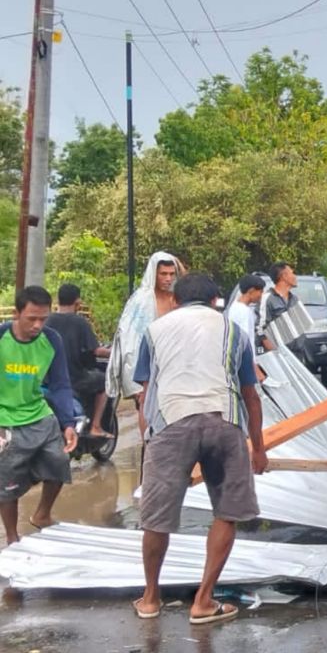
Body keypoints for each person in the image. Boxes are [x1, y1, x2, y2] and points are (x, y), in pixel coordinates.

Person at [132, 273, 267, 624]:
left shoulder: (154, 330)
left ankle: (149, 599)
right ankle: (204, 601)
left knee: (156, 519)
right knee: (226, 512)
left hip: (171, 424)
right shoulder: (232, 330)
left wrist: (150, 441)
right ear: (214, 302)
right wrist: (259, 448)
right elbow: (250, 394)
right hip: (224, 423)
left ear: (175, 300)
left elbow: (147, 393)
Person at [0, 286, 79, 544]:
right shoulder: (2, 337)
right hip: (6, 417)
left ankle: (42, 514)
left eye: (43, 319)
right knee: (8, 482)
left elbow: (60, 384)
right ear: (16, 313)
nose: (37, 325)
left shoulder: (52, 339)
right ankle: (12, 536)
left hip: (39, 412)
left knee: (59, 462)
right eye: (31, 318)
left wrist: (68, 422)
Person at [107, 252, 185, 407]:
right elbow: (131, 340)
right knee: (146, 409)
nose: (168, 279)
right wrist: (135, 382)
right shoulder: (141, 301)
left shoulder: (178, 298)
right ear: (154, 274)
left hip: (174, 366)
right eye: (163, 274)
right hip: (147, 366)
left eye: (171, 274)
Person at [45, 284, 112, 438]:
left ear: (57, 299)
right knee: (105, 381)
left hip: (48, 378)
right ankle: (96, 426)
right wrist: (115, 352)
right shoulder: (80, 322)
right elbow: (96, 350)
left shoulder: (47, 320)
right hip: (75, 377)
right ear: (77, 302)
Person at [226, 275, 266, 353]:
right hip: (245, 358)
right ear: (251, 291)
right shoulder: (243, 311)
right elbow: (246, 340)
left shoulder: (235, 307)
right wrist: (252, 362)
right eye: (260, 292)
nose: (261, 296)